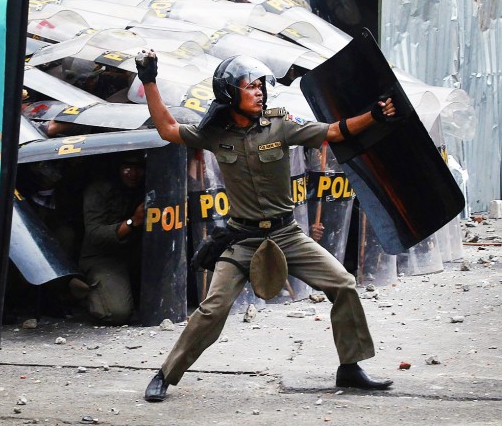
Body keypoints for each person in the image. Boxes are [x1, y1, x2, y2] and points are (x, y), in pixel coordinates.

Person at [136, 50, 397, 402]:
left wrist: (375, 116)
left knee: (344, 284)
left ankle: (350, 367)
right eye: (251, 86)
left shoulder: (281, 125)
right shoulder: (214, 134)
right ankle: (165, 374)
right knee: (213, 308)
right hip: (242, 239)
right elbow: (167, 129)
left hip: (286, 235)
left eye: (262, 86)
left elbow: (335, 131)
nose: (260, 92)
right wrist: (149, 80)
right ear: (230, 93)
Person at [75, 153, 146, 325]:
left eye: (138, 168)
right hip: (104, 257)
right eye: (127, 167)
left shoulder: (146, 186)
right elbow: (95, 234)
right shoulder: (98, 190)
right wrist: (132, 222)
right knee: (116, 313)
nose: (133, 173)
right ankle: (81, 291)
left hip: (137, 253)